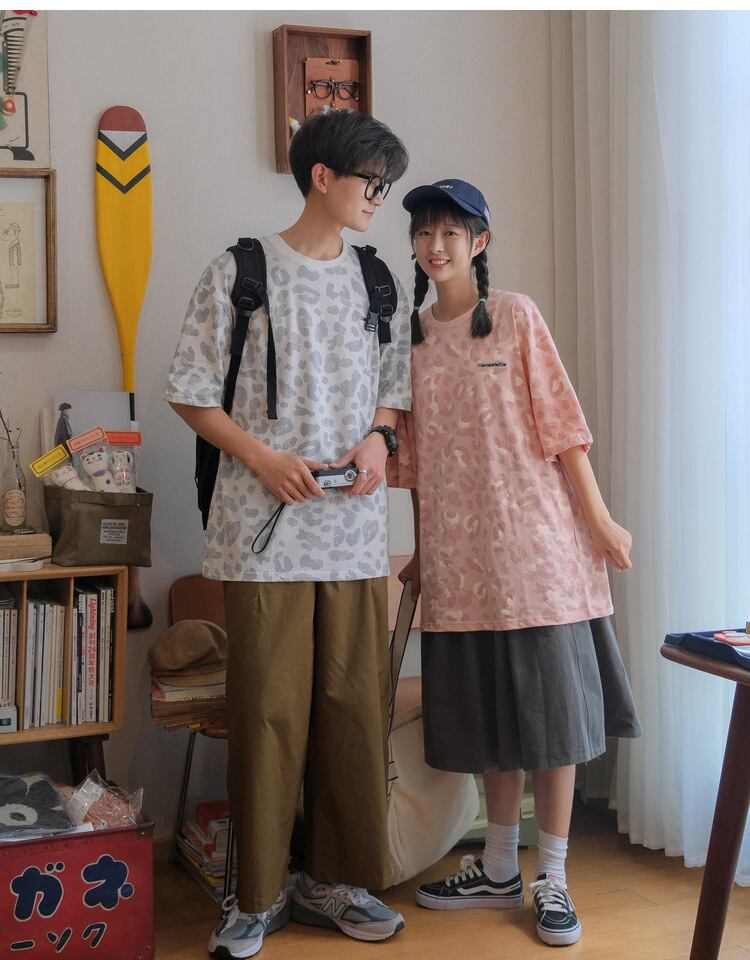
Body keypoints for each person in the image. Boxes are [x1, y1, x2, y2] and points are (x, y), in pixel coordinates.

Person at [163, 109, 411, 959]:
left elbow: (394, 389)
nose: (378, 197)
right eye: (370, 182)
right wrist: (263, 459)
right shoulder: (241, 270)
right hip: (262, 533)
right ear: (322, 177)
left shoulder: (377, 279)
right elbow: (190, 391)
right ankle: (257, 894)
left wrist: (378, 440)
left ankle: (334, 880)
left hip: (353, 533)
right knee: (268, 712)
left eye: (386, 186)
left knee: (351, 706)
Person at [387, 179, 641, 948]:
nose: (435, 246)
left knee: (551, 721)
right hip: (462, 567)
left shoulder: (516, 317)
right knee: (493, 719)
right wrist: (424, 549)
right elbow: (417, 464)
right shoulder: (411, 340)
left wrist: (599, 519)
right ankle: (498, 866)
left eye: (450, 233)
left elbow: (563, 428)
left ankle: (552, 876)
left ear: (480, 242)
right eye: (424, 233)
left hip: (538, 556)